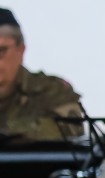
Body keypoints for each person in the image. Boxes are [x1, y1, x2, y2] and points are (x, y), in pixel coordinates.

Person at [0, 8, 82, 141]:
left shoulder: (50, 90)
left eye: (1, 51)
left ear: (20, 50)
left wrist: (10, 133)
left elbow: (70, 128)